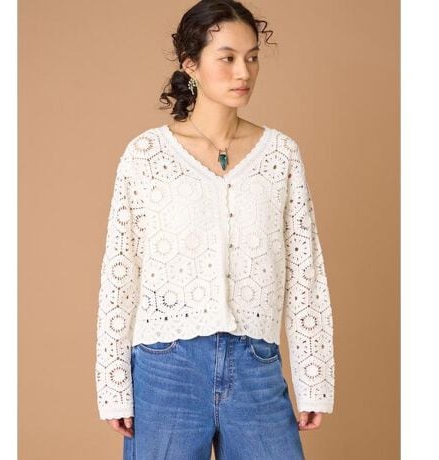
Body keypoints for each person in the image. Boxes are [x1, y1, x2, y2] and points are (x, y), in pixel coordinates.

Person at [95, 1, 335, 458]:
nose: (243, 71)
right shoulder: (146, 156)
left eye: (252, 57)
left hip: (256, 365)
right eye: (227, 58)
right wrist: (113, 387)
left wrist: (313, 378)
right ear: (191, 65)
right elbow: (120, 274)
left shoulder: (280, 155)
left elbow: (305, 272)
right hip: (165, 371)